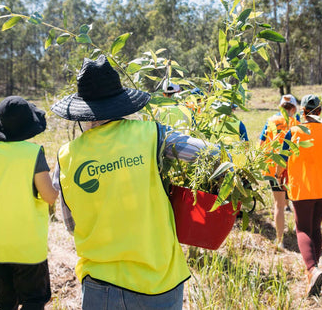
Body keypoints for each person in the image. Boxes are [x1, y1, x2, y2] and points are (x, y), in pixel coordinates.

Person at [50, 55, 217, 310]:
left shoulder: (66, 157)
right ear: (120, 104)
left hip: (100, 285)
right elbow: (210, 154)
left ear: (84, 113)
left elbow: (72, 226)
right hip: (158, 281)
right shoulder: (153, 135)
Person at [0, 96, 58, 310]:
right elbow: (49, 195)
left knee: (5, 299)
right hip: (26, 244)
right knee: (34, 300)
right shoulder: (33, 153)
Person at [276, 95, 322, 297]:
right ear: (320, 112)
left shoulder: (293, 132)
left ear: (302, 111)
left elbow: (281, 162)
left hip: (302, 190)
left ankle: (312, 270)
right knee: (315, 227)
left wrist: (279, 176)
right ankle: (313, 272)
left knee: (303, 228)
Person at [259, 94, 300, 249]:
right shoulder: (297, 123)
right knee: (295, 200)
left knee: (279, 205)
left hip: (273, 167)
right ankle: (298, 231)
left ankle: (280, 240)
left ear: (280, 106)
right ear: (294, 108)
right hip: (292, 168)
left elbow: (262, 143)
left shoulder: (270, 121)